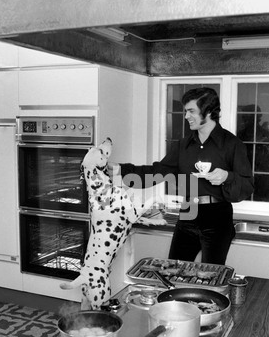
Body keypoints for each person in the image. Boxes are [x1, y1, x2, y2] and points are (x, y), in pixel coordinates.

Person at [108, 87, 254, 265]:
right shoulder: (183, 145)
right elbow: (157, 172)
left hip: (217, 217)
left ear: (208, 111)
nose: (186, 116)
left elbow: (247, 187)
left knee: (211, 276)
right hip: (188, 212)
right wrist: (121, 170)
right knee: (175, 270)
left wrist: (227, 177)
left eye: (191, 111)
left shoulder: (232, 144)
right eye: (186, 111)